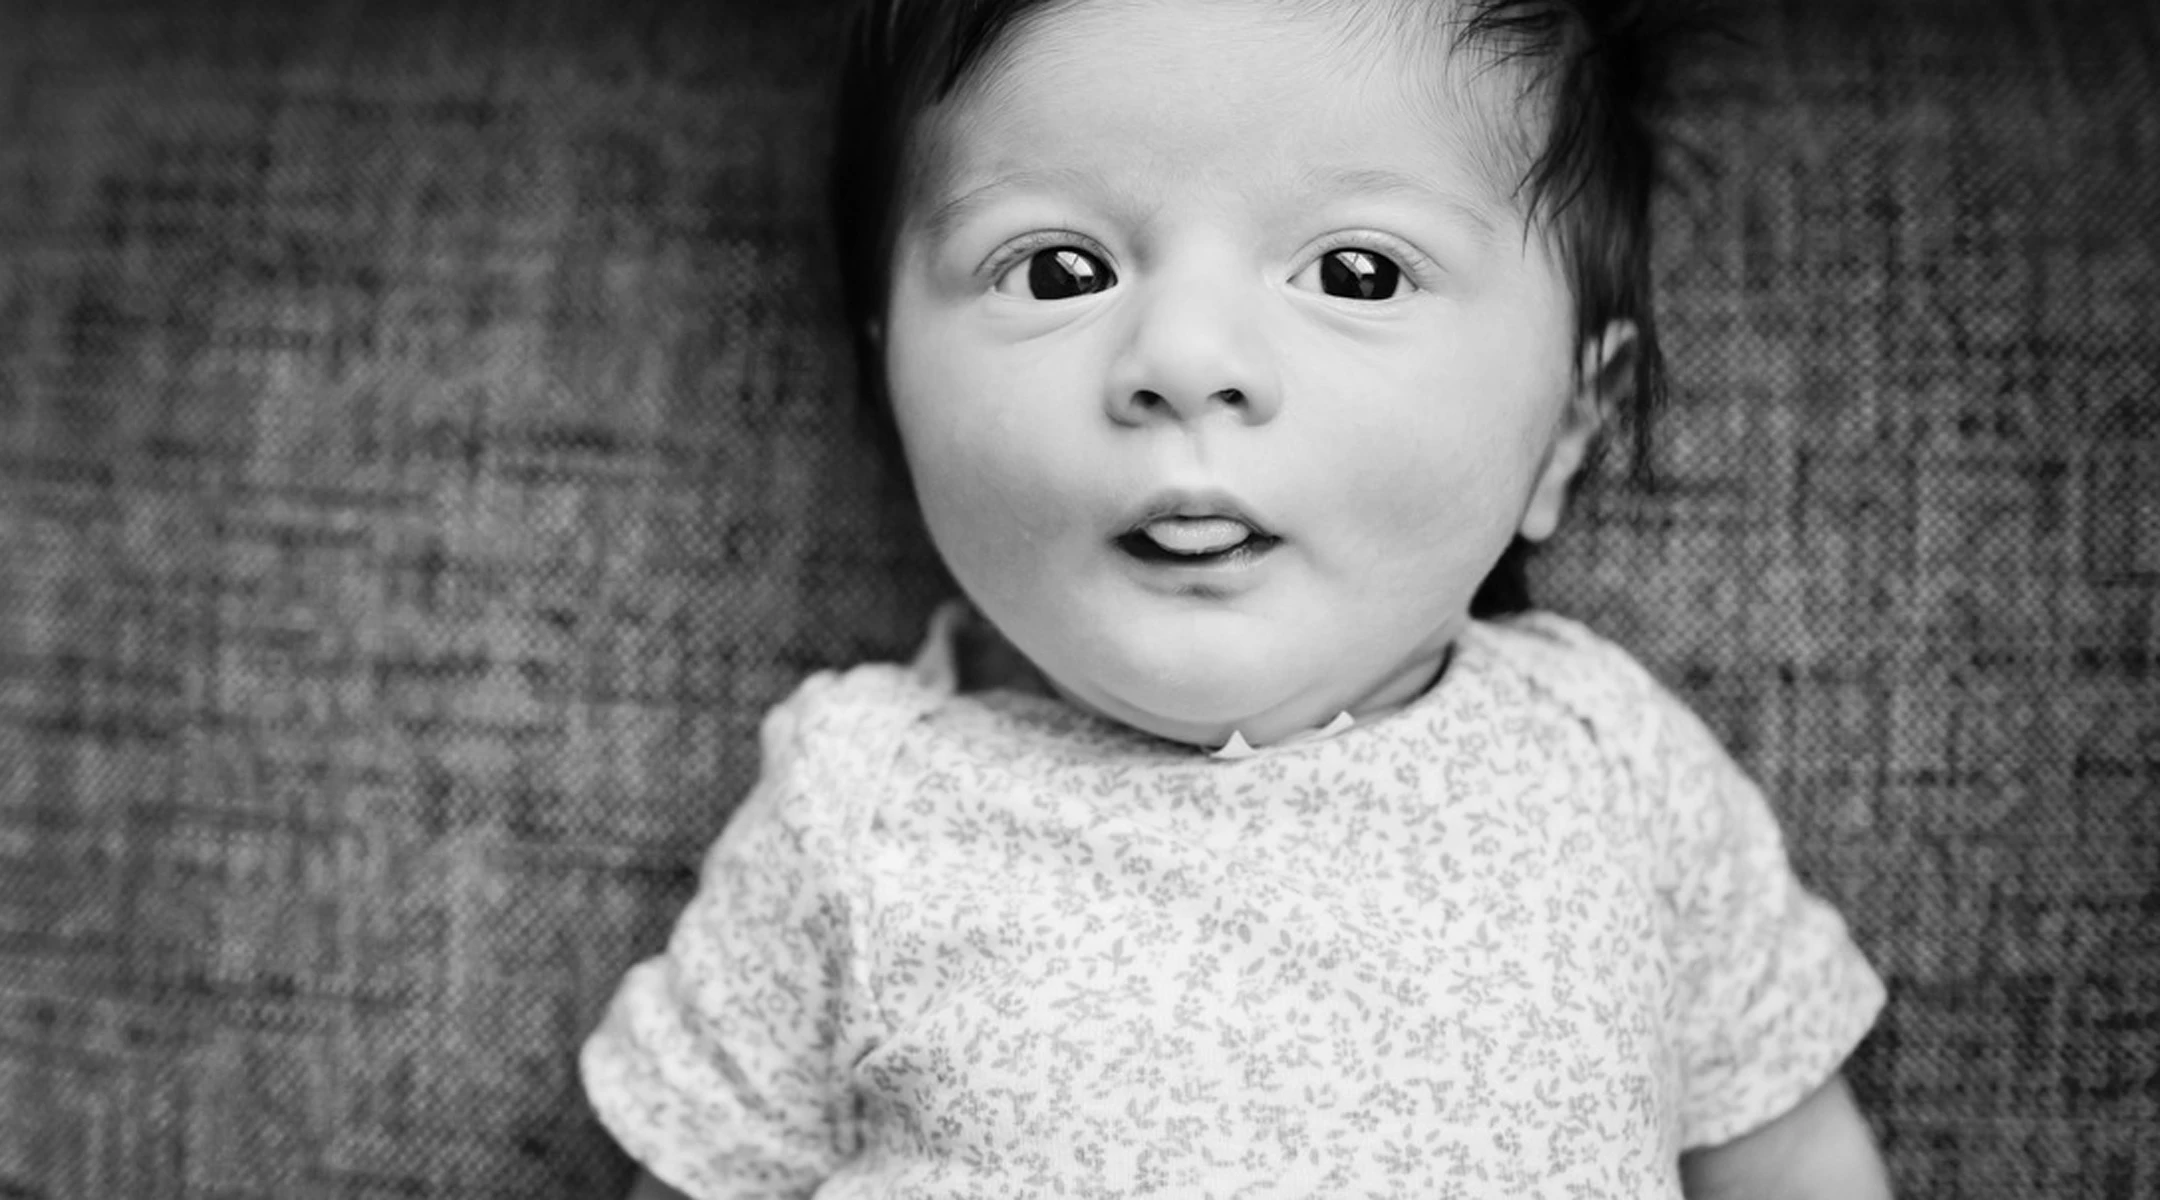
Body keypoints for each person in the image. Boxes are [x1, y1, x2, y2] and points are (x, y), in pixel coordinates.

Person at [582, 0, 1893, 1194]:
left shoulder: (1616, 765)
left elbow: (1793, 1161)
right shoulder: (854, 813)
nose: (1184, 356)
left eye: (1359, 273)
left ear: (1568, 426)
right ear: (891, 389)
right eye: (1057, 271)